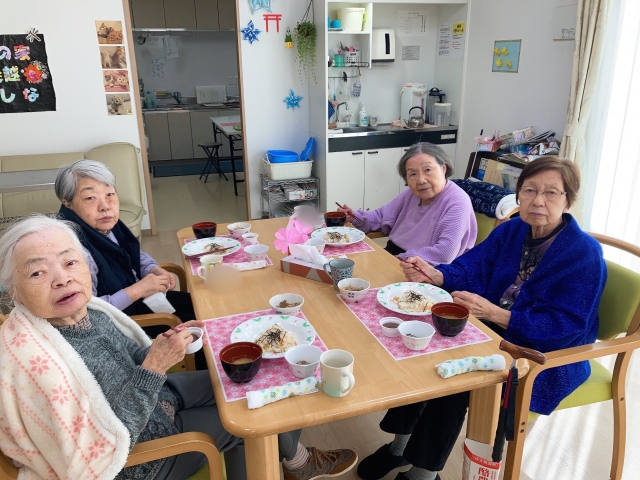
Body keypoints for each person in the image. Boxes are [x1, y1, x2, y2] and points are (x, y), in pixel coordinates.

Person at [0, 216, 357, 480]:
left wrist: (161, 348)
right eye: (37, 273)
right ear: (13, 292)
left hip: (155, 400)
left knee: (261, 377)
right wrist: (155, 367)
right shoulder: (36, 361)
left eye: (69, 262)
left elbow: (124, 363)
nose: (62, 278)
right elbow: (101, 449)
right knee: (253, 418)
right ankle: (295, 462)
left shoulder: (86, 311)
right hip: (141, 457)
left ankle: (294, 461)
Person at [357, 157, 607, 480]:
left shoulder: (585, 254)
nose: (538, 201)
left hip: (543, 353)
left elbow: (566, 326)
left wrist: (496, 313)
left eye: (551, 192)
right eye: (529, 190)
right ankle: (400, 447)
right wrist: (439, 275)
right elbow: (474, 266)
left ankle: (423, 473)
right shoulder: (512, 230)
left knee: (459, 377)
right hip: (491, 330)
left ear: (568, 200)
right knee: (424, 345)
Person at [55, 160, 194, 324]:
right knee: (202, 325)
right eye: (90, 198)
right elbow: (85, 311)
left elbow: (132, 254)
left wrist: (152, 269)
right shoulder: (72, 250)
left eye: (109, 194)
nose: (105, 206)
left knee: (201, 306)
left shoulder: (103, 224)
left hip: (142, 301)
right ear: (68, 204)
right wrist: (139, 289)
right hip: (120, 324)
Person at [338, 143, 477, 265]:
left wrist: (398, 259)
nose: (421, 180)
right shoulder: (411, 194)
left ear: (443, 169)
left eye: (428, 170)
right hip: (395, 256)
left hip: (423, 268)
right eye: (413, 174)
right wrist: (354, 217)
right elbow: (381, 217)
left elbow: (443, 254)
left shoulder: (458, 202)